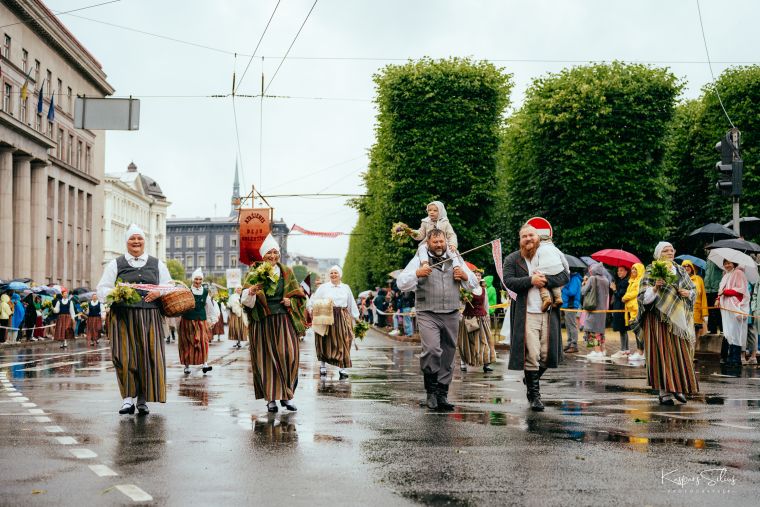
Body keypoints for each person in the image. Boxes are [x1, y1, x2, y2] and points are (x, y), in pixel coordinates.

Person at [96, 223, 172, 415]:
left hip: (150, 316)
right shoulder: (116, 264)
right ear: (126, 242)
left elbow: (169, 286)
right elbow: (102, 289)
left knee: (148, 357)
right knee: (124, 356)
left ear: (144, 242)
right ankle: (127, 399)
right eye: (132, 239)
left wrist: (158, 292)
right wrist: (117, 292)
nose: (136, 242)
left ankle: (142, 400)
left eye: (139, 238)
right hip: (122, 316)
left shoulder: (156, 264)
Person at [398, 229, 477, 411]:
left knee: (448, 354)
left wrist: (465, 276)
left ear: (445, 241)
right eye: (435, 242)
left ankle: (442, 394)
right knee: (432, 350)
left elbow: (473, 284)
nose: (439, 245)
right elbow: (402, 283)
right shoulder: (419, 258)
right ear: (428, 243)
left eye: (441, 241)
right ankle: (431, 392)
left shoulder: (455, 258)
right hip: (427, 312)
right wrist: (417, 273)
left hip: (451, 312)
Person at [504, 223, 569, 411]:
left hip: (548, 313)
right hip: (527, 314)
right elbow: (508, 282)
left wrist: (547, 280)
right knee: (531, 354)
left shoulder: (548, 254)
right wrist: (530, 280)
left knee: (547, 355)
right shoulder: (513, 259)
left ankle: (530, 379)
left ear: (538, 237)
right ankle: (534, 396)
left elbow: (564, 276)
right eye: (524, 236)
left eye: (531, 235)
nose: (528, 239)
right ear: (520, 240)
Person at [241, 234, 307, 413]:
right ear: (263, 255)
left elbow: (300, 298)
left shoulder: (287, 271)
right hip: (262, 321)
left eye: (275, 252)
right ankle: (270, 399)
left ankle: (286, 395)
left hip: (284, 320)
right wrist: (252, 291)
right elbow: (244, 299)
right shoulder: (255, 272)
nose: (272, 256)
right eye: (269, 253)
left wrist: (290, 302)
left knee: (289, 355)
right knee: (266, 359)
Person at [633, 241, 698, 405]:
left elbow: (693, 291)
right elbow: (643, 298)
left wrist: (687, 293)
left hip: (678, 320)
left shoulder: (681, 270)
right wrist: (655, 288)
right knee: (661, 354)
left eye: (671, 250)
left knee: (680, 353)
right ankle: (665, 393)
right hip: (658, 318)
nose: (670, 253)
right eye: (666, 251)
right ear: (659, 254)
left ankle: (679, 387)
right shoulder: (651, 269)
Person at [308, 265, 360, 379]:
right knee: (324, 340)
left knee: (344, 340)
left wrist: (356, 317)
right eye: (331, 273)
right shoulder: (323, 287)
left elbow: (351, 303)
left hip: (341, 316)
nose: (333, 275)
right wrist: (311, 309)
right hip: (326, 315)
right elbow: (314, 300)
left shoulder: (346, 287)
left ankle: (343, 367)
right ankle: (322, 365)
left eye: (335, 273)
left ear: (340, 274)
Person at [179, 268, 218, 375]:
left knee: (203, 341)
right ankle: (187, 366)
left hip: (201, 320)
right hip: (187, 320)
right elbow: (181, 306)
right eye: (196, 279)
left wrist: (212, 319)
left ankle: (205, 363)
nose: (198, 281)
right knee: (187, 342)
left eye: (200, 279)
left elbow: (209, 307)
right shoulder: (187, 291)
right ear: (192, 280)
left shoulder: (205, 293)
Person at [458, 268, 494, 373]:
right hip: (470, 318)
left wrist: (487, 315)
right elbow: (461, 305)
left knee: (486, 340)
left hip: (482, 318)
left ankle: (486, 363)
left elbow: (486, 304)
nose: (477, 277)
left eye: (479, 275)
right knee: (468, 341)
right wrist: (463, 301)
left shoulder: (483, 290)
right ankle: (463, 362)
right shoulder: (466, 289)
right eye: (475, 275)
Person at [405, 201, 460, 269]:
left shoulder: (445, 222)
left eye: (435, 210)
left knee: (451, 250)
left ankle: (456, 266)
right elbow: (420, 234)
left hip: (443, 243)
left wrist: (453, 244)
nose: (431, 212)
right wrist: (411, 232)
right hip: (429, 243)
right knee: (422, 248)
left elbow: (451, 235)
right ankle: (425, 263)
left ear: (440, 211)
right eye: (429, 210)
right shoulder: (425, 222)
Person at [718, 260, 749, 367]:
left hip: (735, 307)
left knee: (735, 332)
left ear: (734, 263)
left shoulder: (739, 273)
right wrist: (718, 298)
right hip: (726, 306)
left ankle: (735, 359)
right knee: (728, 332)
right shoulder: (726, 275)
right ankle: (728, 358)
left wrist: (726, 292)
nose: (727, 265)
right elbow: (721, 290)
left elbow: (741, 290)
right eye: (725, 263)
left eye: (729, 263)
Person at [582, 263, 610, 359]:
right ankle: (602, 350)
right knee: (600, 330)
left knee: (593, 330)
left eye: (591, 269)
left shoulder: (592, 278)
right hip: (603, 309)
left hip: (593, 308)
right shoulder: (606, 280)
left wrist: (584, 283)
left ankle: (597, 351)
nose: (590, 271)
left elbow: (583, 291)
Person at [622, 263, 645, 362]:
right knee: (636, 332)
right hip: (631, 310)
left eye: (636, 269)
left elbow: (636, 292)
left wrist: (625, 297)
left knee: (639, 331)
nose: (633, 271)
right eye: (632, 269)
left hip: (637, 309)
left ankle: (641, 352)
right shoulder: (632, 281)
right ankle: (640, 351)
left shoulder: (640, 280)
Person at [682, 260, 708, 342]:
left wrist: (705, 313)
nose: (686, 268)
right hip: (683, 312)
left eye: (688, 266)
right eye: (684, 266)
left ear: (692, 267)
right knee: (684, 336)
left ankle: (693, 354)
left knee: (695, 337)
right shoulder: (680, 279)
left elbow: (703, 296)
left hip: (697, 312)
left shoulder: (699, 279)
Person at [610, 266, 630, 357]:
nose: (619, 272)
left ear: (626, 271)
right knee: (623, 330)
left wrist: (614, 289)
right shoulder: (620, 281)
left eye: (621, 270)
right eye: (618, 270)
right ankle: (626, 349)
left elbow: (620, 296)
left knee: (622, 329)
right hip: (619, 307)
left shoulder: (626, 282)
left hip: (622, 308)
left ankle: (623, 350)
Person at [561, 270, 582, 353]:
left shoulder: (575, 279)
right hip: (567, 305)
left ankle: (574, 344)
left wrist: (563, 288)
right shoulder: (570, 278)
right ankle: (570, 343)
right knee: (568, 325)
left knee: (572, 325)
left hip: (571, 305)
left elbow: (572, 292)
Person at [704, 258, 723, 333]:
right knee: (710, 310)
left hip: (716, 288)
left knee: (718, 310)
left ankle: (722, 328)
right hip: (708, 288)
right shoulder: (708, 260)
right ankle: (712, 328)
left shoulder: (720, 258)